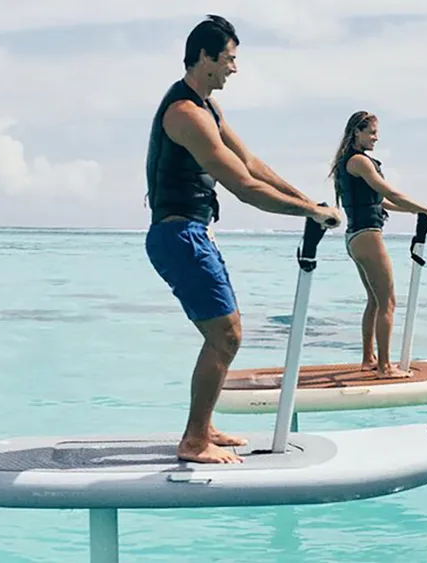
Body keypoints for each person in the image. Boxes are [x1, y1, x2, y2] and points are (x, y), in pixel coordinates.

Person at [145, 15, 343, 464]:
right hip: (179, 235)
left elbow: (252, 163)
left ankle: (204, 426)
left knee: (224, 335)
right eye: (230, 59)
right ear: (205, 57)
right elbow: (243, 187)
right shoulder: (185, 114)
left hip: (192, 234)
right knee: (227, 336)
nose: (234, 68)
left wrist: (307, 200)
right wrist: (308, 212)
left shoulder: (209, 108)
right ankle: (193, 441)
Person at [329, 111, 427, 376]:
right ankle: (383, 367)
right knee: (388, 302)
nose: (376, 138)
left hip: (355, 237)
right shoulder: (359, 162)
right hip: (368, 236)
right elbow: (390, 191)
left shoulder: (351, 162)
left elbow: (379, 201)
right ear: (357, 131)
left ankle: (369, 359)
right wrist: (424, 208)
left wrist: (418, 210)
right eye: (372, 132)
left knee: (374, 300)